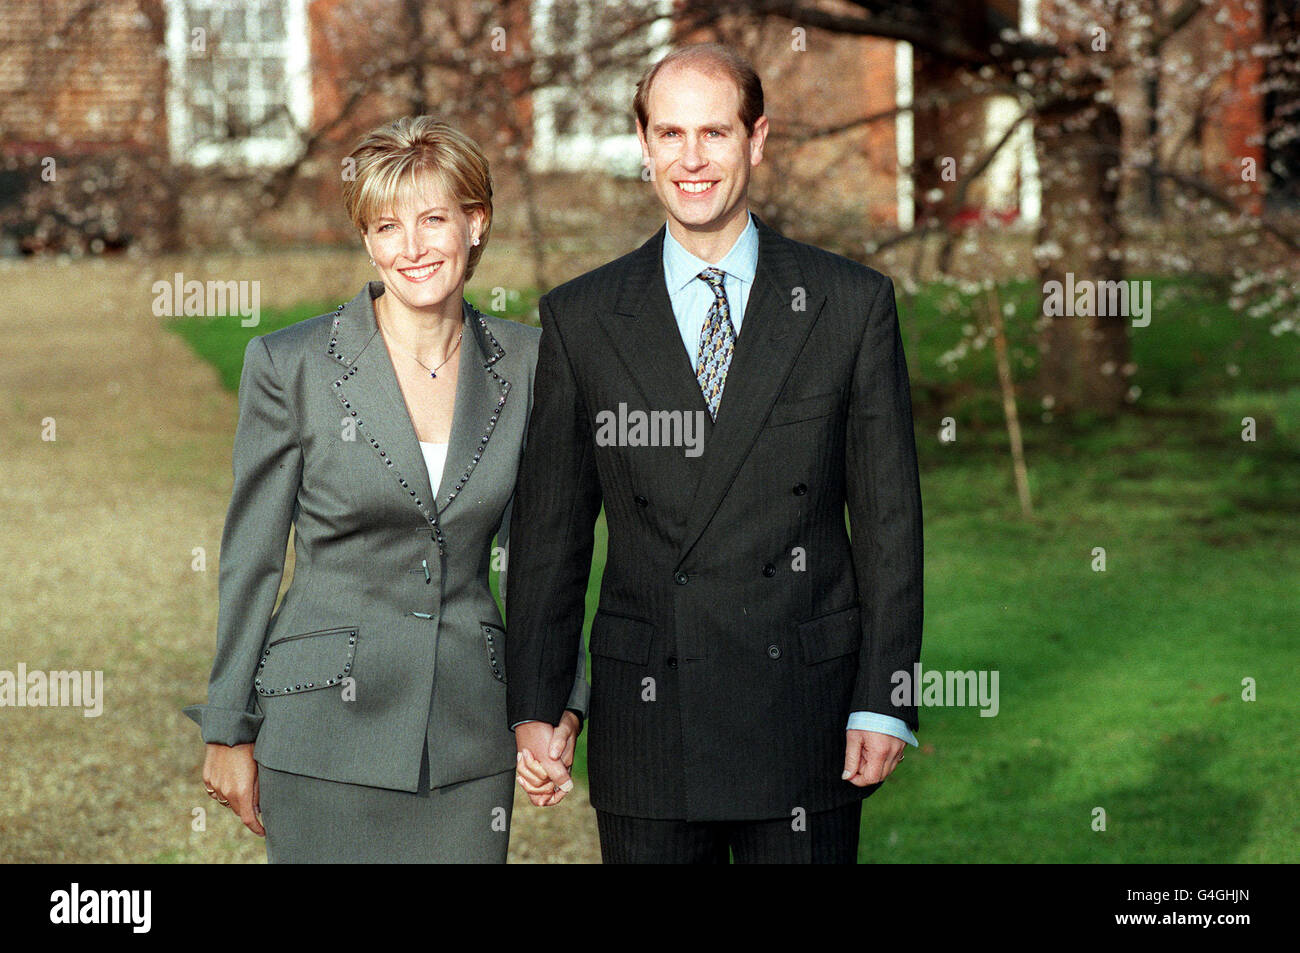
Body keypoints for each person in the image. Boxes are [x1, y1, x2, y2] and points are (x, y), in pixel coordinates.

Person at [507, 44, 923, 863]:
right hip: (650, 718)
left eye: (714, 133)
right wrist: (540, 698)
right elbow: (551, 533)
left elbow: (889, 523)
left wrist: (885, 699)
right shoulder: (581, 318)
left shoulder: (848, 303)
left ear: (756, 140)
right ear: (643, 145)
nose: (691, 159)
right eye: (670, 133)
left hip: (805, 711)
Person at [183, 116, 586, 863]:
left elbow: (551, 556)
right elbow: (252, 558)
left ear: (476, 222)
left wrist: (559, 700)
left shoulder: (531, 363)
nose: (411, 247)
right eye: (386, 225)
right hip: (318, 731)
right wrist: (226, 725)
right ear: (367, 239)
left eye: (434, 219)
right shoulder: (291, 363)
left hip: (470, 732)